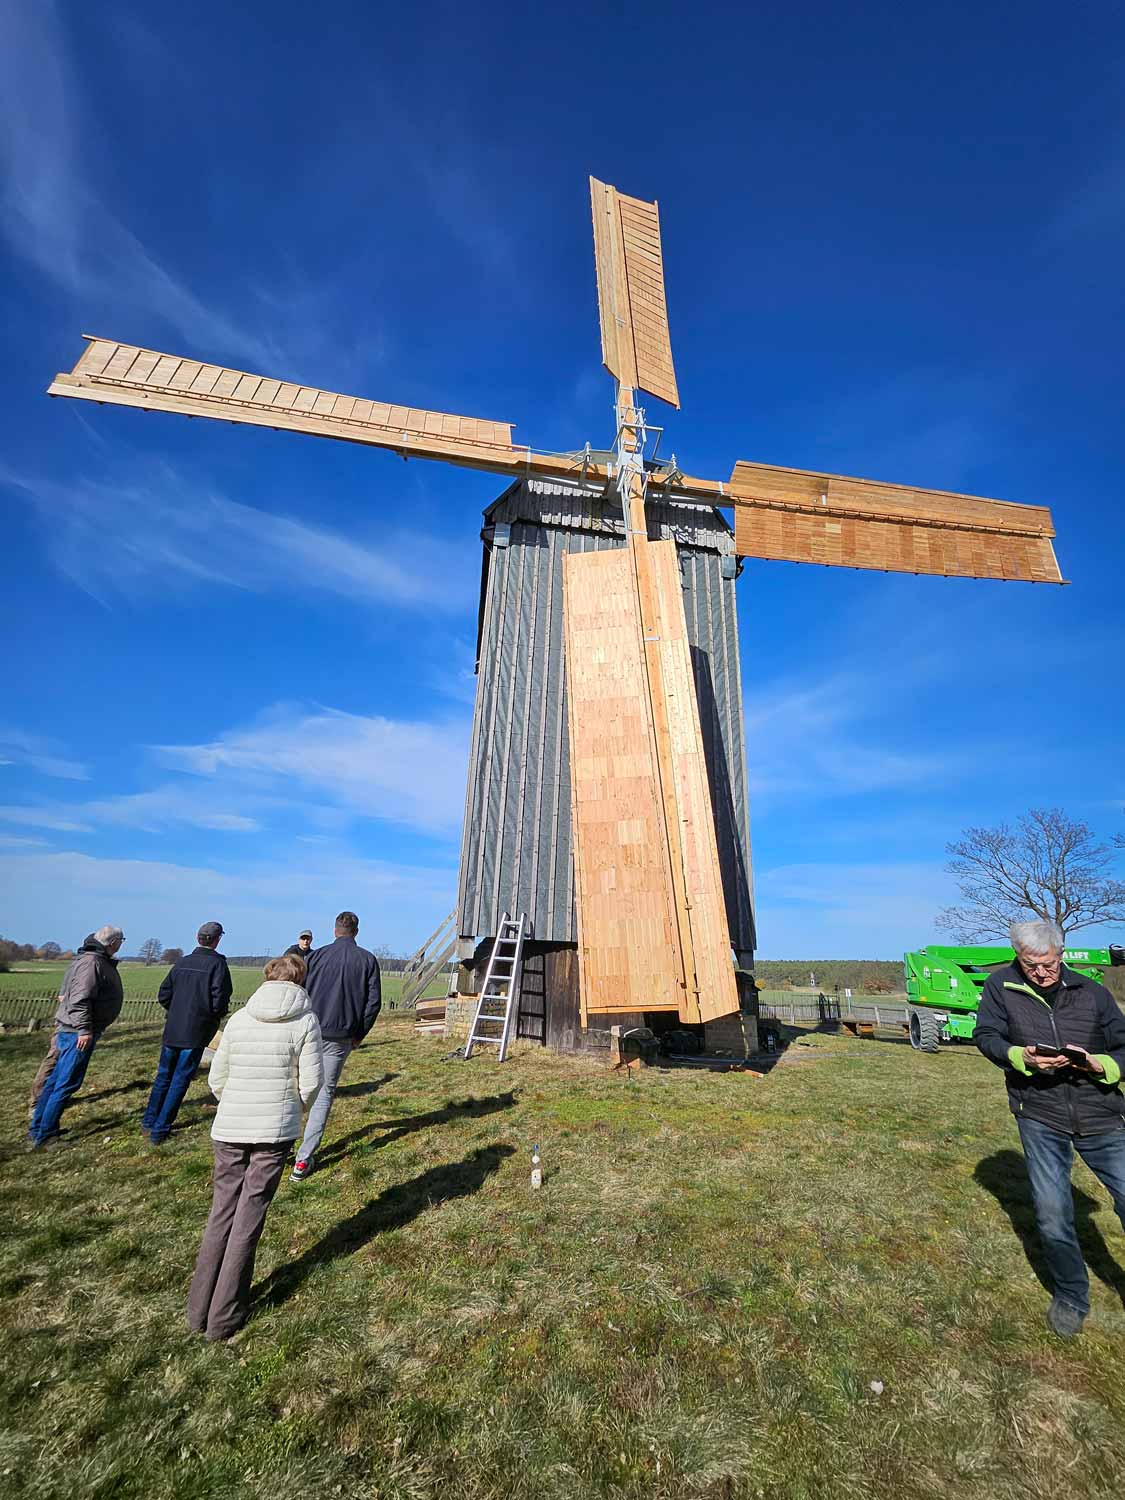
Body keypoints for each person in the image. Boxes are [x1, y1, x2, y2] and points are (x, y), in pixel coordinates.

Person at [975, 918, 1125, 1338]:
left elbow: (1123, 1047)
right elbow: (986, 1034)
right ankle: (1071, 1297)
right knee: (1053, 1212)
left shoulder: (1092, 992)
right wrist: (1020, 1055)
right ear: (1018, 957)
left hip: (1101, 1113)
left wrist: (1101, 1065)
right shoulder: (1000, 987)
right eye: (1031, 964)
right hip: (1040, 1112)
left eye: (1049, 963)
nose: (1041, 972)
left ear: (1061, 954)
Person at [186, 952, 322, 1341]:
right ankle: (225, 1315)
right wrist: (293, 1108)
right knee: (249, 1218)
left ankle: (199, 1310)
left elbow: (218, 1076)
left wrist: (234, 1101)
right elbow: (312, 1081)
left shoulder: (239, 1019)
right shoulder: (306, 1020)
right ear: (300, 981)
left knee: (220, 1214)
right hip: (273, 1132)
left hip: (229, 1127)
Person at [290, 910, 381, 1182]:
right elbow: (372, 1003)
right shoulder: (367, 959)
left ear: (335, 930)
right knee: (324, 1094)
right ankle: (303, 1160)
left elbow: (300, 991)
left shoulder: (315, 957)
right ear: (356, 931)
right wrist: (359, 1034)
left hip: (310, 1030)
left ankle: (279, 1145)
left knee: (294, 1086)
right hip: (341, 1035)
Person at [28, 925, 125, 1149]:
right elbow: (80, 999)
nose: (121, 945)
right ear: (113, 943)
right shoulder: (92, 963)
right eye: (121, 941)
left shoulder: (90, 959)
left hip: (73, 1030)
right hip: (76, 1033)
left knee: (55, 1082)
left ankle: (39, 1128)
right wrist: (84, 1030)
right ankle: (46, 1135)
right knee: (65, 1084)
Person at [142, 921, 233, 1145]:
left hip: (173, 1029)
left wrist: (176, 1012)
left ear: (198, 937)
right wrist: (210, 1017)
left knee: (163, 1076)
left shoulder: (181, 963)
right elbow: (219, 1000)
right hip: (195, 1032)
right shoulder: (217, 966)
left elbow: (164, 994)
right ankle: (160, 1129)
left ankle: (148, 1122)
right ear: (218, 939)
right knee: (180, 1079)